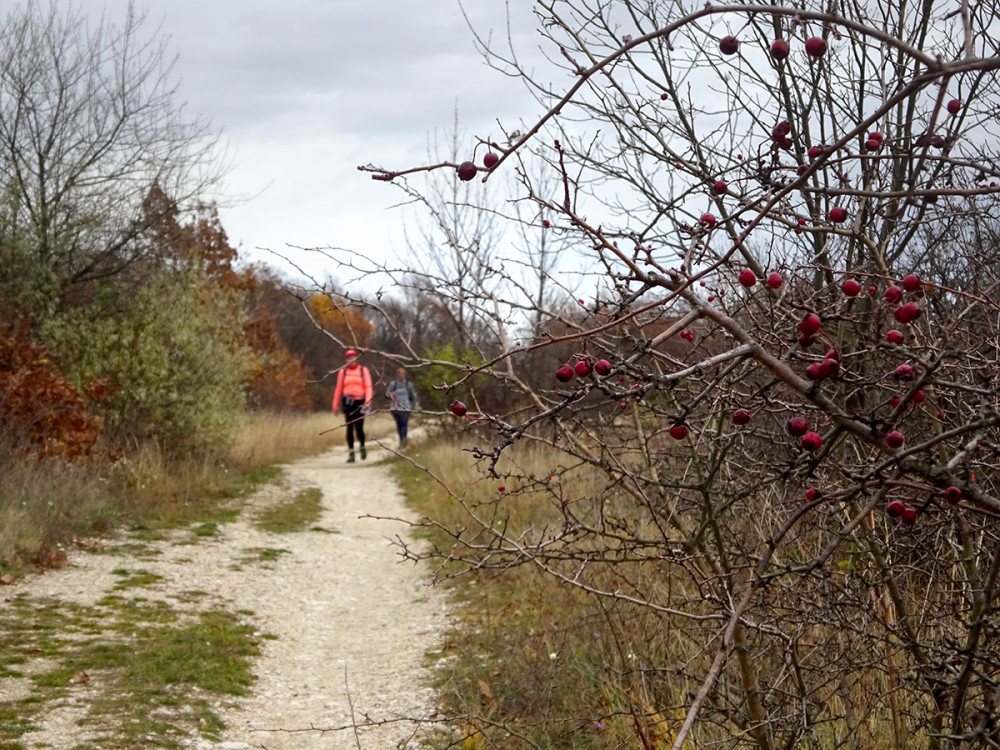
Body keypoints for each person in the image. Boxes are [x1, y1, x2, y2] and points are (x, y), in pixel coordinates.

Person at [332, 349, 373, 463]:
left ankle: (362, 446)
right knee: (349, 428)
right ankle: (351, 453)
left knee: (359, 428)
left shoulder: (363, 370)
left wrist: (367, 402)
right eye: (349, 358)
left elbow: (368, 387)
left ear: (356, 359)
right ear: (346, 360)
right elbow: (338, 389)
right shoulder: (343, 372)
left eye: (353, 357)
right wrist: (335, 405)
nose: (351, 360)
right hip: (347, 401)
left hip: (360, 401)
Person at [385, 367, 420, 447]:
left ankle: (403, 442)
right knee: (399, 425)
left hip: (405, 408)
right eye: (399, 374)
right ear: (397, 375)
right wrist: (391, 394)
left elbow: (414, 396)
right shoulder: (393, 384)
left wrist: (416, 404)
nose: (401, 375)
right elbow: (386, 395)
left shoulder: (408, 384)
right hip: (395, 408)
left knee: (404, 424)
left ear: (405, 374)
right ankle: (401, 439)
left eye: (403, 374)